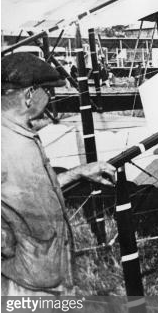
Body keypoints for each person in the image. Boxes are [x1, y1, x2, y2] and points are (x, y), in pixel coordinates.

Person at [1, 52, 116, 296]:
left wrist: (79, 173)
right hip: (22, 285)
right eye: (48, 91)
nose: (51, 98)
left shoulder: (24, 133)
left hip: (48, 276)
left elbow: (37, 189)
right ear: (30, 94)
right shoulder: (5, 142)